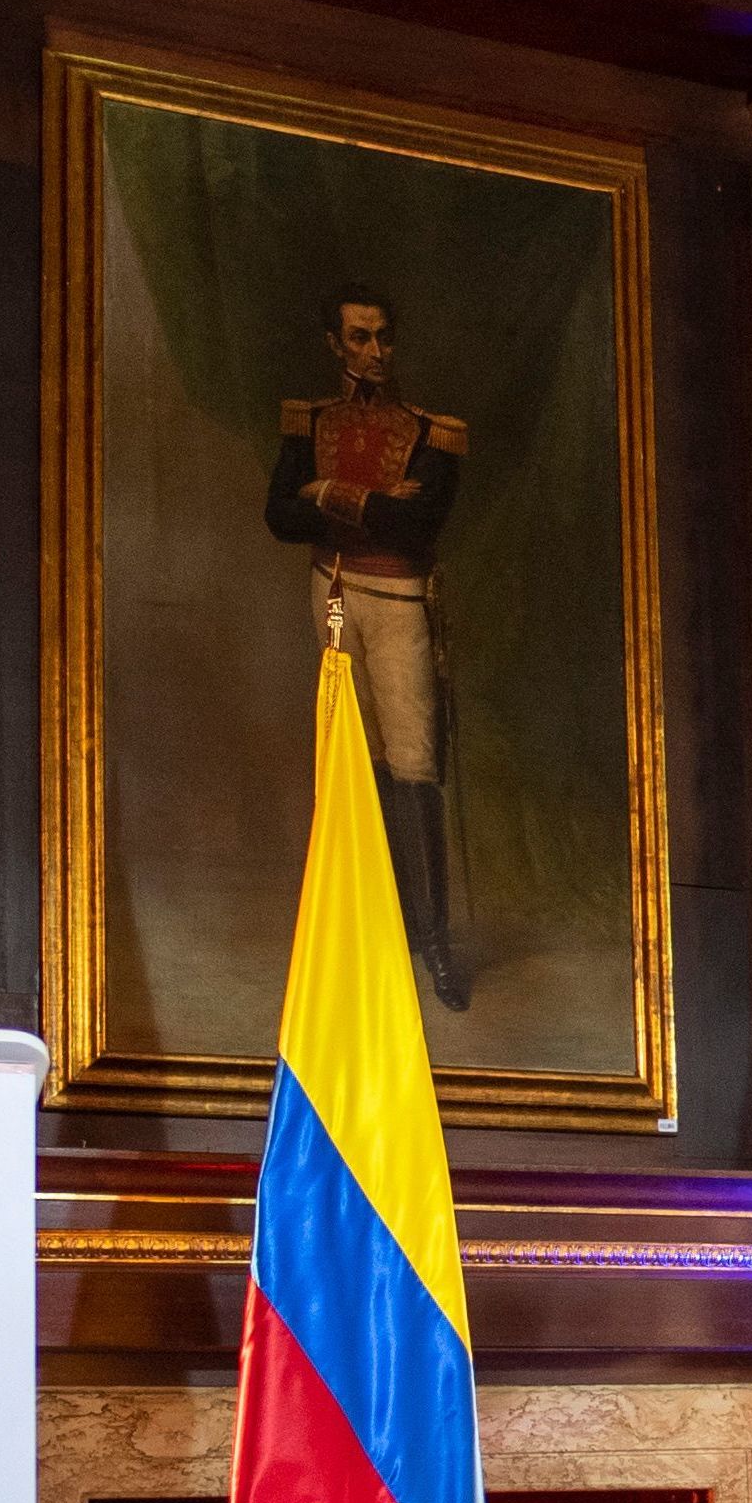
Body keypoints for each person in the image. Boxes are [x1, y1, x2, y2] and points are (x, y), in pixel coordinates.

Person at [264, 284, 471, 1009]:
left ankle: (435, 946)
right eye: (359, 338)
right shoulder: (307, 421)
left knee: (414, 767)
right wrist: (371, 501)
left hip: (398, 601)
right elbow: (279, 517)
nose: (374, 352)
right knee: (354, 762)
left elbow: (419, 531)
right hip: (332, 595)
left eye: (383, 337)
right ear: (335, 343)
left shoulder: (431, 432)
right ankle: (366, 934)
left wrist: (327, 493)